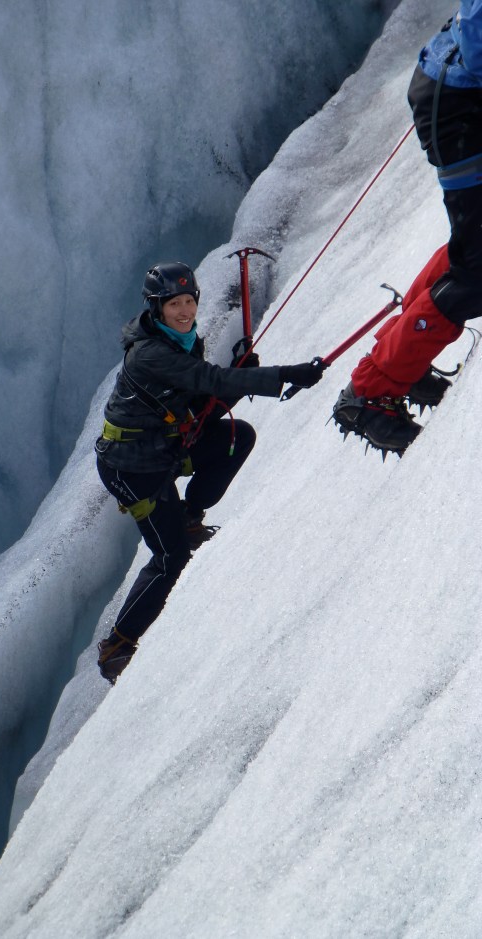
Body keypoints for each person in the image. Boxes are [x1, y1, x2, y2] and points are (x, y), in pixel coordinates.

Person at [94, 261, 325, 683]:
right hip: (131, 467)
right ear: (156, 308)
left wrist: (241, 372)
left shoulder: (180, 341)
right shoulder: (151, 353)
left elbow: (200, 403)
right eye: (174, 304)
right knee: (171, 557)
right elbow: (209, 380)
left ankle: (188, 516)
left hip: (162, 451)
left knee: (237, 437)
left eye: (189, 301)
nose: (184, 311)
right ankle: (117, 645)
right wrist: (284, 376)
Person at [333, 3, 482, 454]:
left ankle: (401, 360)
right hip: (458, 105)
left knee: (474, 248)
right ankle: (371, 391)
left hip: (455, 90)